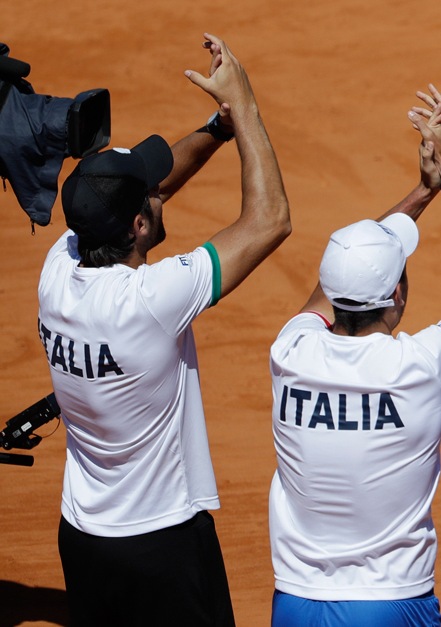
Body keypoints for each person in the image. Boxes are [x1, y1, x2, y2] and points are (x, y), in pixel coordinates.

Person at [38, 34, 291, 627]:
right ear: (137, 225)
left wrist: (217, 129)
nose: (160, 191)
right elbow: (270, 220)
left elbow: (141, 194)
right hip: (161, 548)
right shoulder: (150, 300)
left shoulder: (60, 267)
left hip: (83, 538)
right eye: (150, 195)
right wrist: (247, 106)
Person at [268, 86, 441, 627]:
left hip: (296, 606)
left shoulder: (291, 351)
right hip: (391, 605)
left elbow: (338, 278)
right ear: (398, 295)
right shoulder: (420, 367)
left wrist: (420, 194)